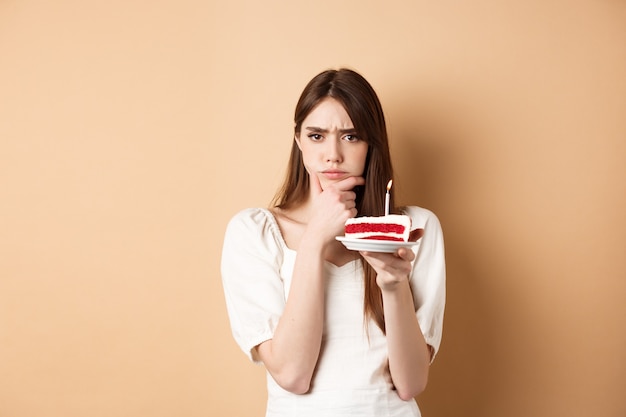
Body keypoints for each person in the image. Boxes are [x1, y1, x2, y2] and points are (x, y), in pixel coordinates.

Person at [221, 68, 445, 417]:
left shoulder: (414, 229)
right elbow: (293, 375)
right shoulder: (255, 232)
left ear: (373, 143)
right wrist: (313, 241)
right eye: (316, 136)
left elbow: (411, 383)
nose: (333, 155)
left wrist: (392, 283)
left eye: (352, 136)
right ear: (297, 140)